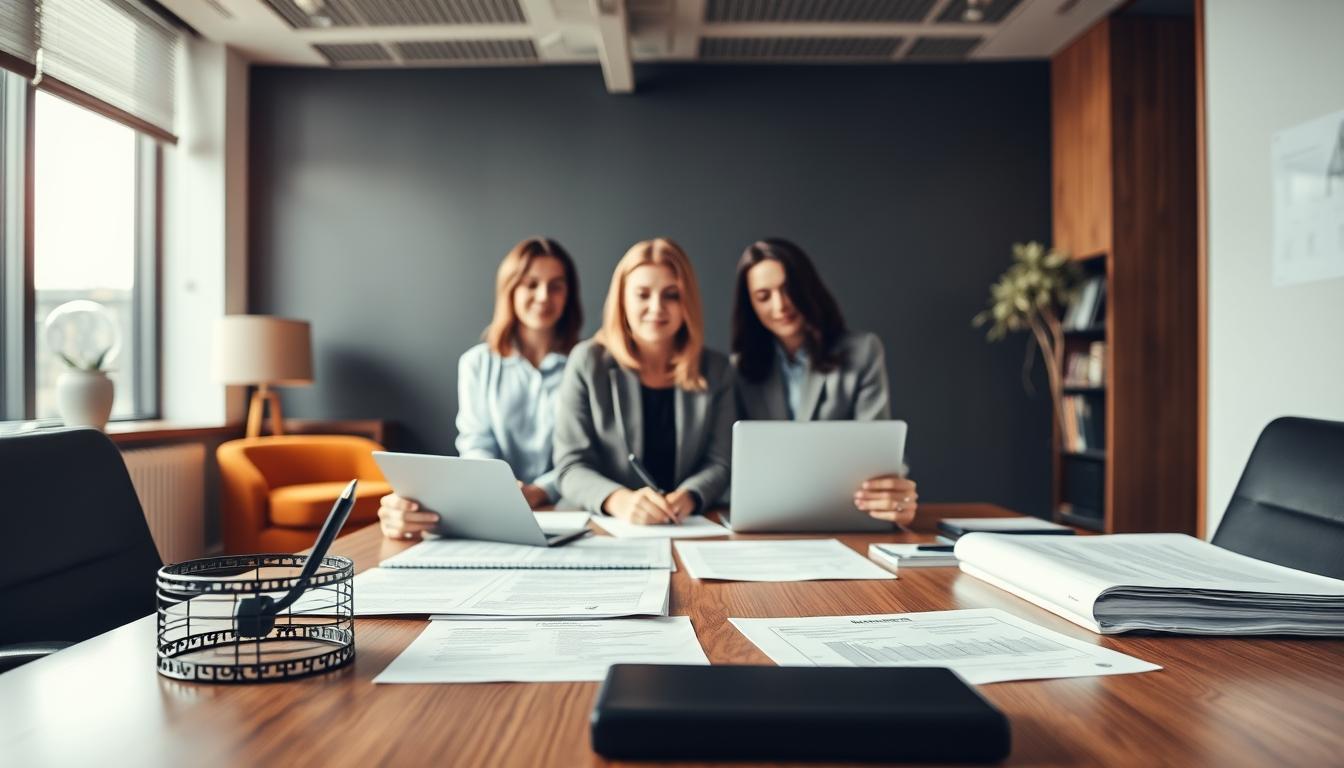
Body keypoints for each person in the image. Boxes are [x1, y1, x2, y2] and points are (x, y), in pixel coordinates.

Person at [378, 237, 583, 540]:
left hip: (567, 508)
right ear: (510, 290)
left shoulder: (585, 363)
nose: (543, 296)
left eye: (555, 286)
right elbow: (476, 441)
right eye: (531, 284)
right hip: (494, 509)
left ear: (568, 294)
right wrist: (503, 490)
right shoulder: (477, 363)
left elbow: (584, 453)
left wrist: (540, 491)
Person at [731, 237, 919, 526]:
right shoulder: (739, 370)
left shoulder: (862, 351)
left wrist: (894, 493)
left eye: (787, 288)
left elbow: (878, 449)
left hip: (844, 516)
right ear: (751, 306)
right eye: (763, 296)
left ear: (807, 286)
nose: (780, 305)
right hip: (765, 522)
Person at [551, 238, 734, 524]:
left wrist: (690, 495)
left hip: (683, 524)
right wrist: (618, 500)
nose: (657, 307)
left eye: (671, 295)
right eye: (643, 294)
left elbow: (720, 462)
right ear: (622, 300)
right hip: (604, 527)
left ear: (687, 302)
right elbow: (570, 466)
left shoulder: (716, 369)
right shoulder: (588, 362)